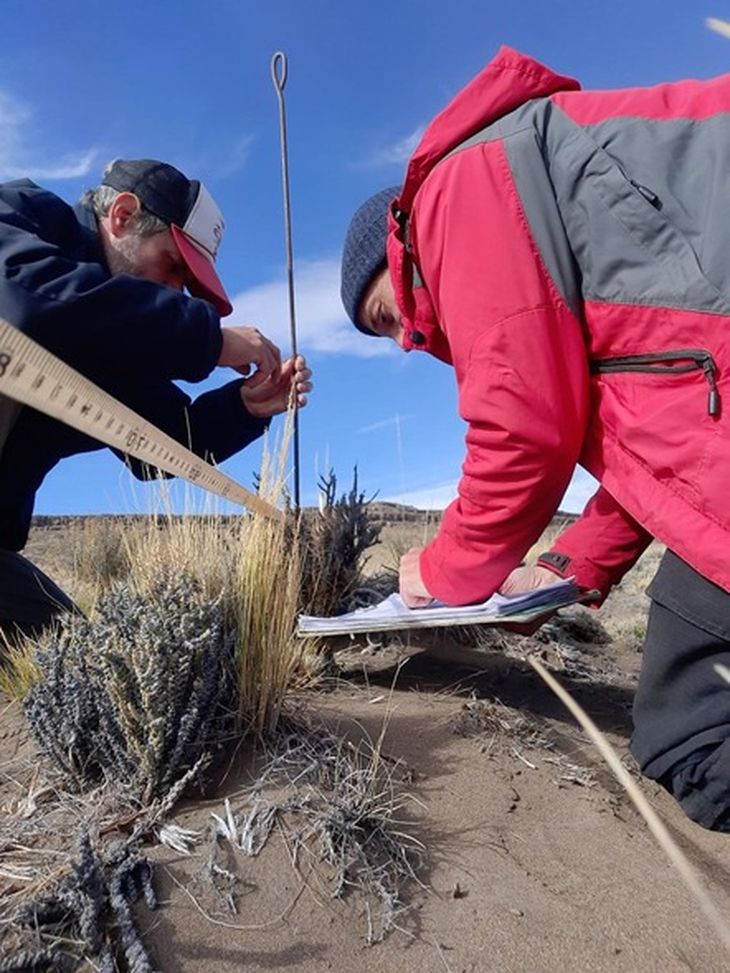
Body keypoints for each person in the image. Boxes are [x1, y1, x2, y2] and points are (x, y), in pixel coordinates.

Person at [339, 47, 730, 831]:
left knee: (692, 741)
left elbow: (522, 426)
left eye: (389, 316)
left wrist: (444, 573)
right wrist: (562, 568)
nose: (411, 339)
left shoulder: (459, 186)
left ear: (398, 244)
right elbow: (673, 452)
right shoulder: (539, 199)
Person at [0, 158, 312, 641]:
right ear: (122, 216)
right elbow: (24, 305)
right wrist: (208, 340)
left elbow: (158, 446)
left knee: (81, 665)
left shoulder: (110, 340)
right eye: (172, 266)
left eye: (188, 288)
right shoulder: (18, 211)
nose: (177, 293)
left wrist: (244, 408)